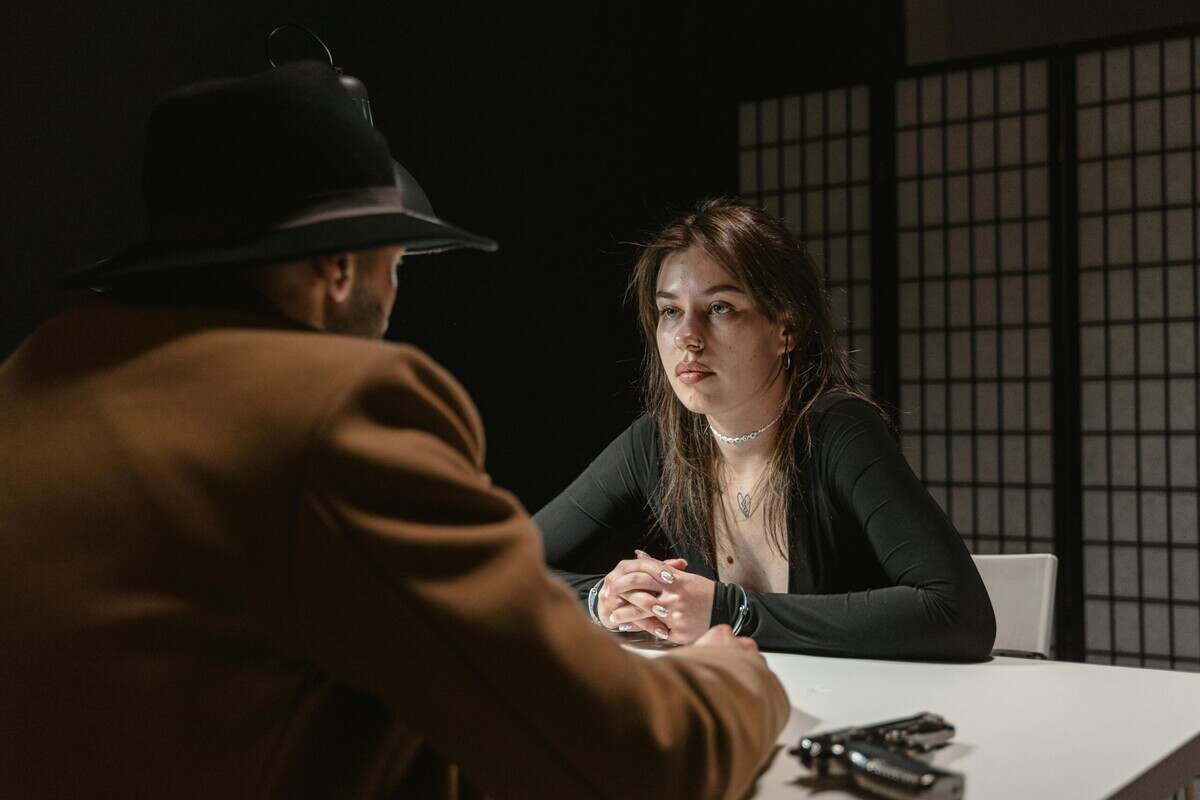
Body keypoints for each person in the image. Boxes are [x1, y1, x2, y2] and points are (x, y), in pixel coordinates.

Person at [0, 63, 790, 799]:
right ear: (338, 269)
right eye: (396, 261)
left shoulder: (34, 376)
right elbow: (624, 753)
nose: (396, 290)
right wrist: (735, 677)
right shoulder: (331, 407)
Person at [536, 198, 997, 661]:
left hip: (863, 713)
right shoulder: (656, 442)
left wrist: (730, 611)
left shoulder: (838, 432)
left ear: (785, 328)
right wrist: (601, 600)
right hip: (739, 706)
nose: (687, 337)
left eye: (719, 308)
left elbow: (961, 615)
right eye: (670, 311)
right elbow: (500, 567)